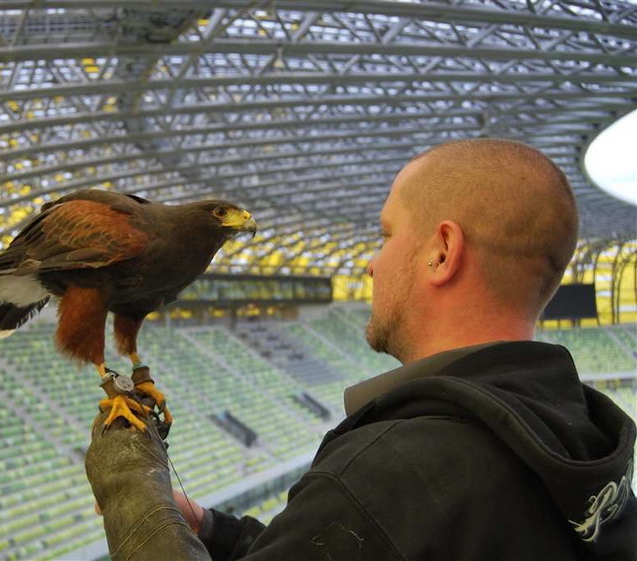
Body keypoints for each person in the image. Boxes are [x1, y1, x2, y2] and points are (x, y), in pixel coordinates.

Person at [85, 138, 637, 560]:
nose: (372, 263)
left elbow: (374, 520)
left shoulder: (389, 475)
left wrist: (132, 490)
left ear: (442, 253)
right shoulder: (579, 436)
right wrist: (209, 527)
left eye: (386, 235)